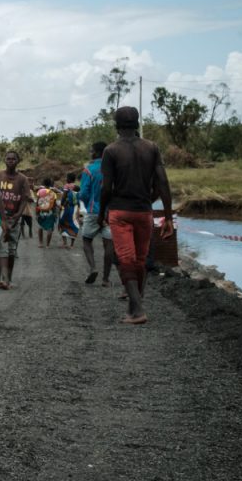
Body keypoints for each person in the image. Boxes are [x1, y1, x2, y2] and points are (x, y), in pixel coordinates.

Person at [99, 106, 174, 325]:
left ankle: (138, 309)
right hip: (144, 212)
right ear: (137, 124)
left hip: (120, 211)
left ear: (116, 126)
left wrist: (102, 211)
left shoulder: (111, 151)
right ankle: (133, 307)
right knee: (139, 260)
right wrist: (167, 216)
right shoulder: (151, 148)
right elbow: (163, 182)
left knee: (125, 259)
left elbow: (106, 187)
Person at [79, 141, 115, 285]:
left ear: (95, 152)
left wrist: (88, 204)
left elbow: (84, 193)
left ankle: (93, 268)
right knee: (109, 244)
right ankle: (106, 279)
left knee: (87, 240)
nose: (90, 153)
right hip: (111, 212)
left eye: (91, 150)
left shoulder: (89, 170)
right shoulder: (113, 169)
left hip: (93, 211)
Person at [0, 150, 29, 290]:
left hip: (14, 218)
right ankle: (4, 278)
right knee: (2, 247)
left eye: (13, 159)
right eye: (8, 158)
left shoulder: (22, 179)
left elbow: (25, 199)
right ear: (4, 160)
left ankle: (8, 277)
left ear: (18, 161)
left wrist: (18, 216)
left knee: (12, 249)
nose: (10, 161)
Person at [58, 172, 80, 248]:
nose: (66, 179)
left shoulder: (67, 186)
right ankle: (72, 245)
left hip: (67, 208)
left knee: (62, 222)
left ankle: (64, 243)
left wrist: (61, 204)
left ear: (69, 179)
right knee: (74, 224)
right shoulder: (77, 186)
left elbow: (64, 196)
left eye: (67, 178)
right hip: (75, 208)